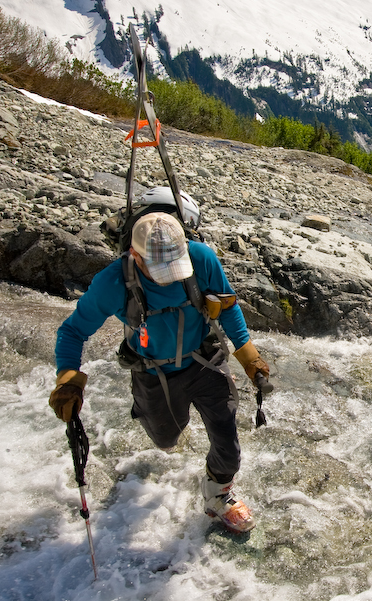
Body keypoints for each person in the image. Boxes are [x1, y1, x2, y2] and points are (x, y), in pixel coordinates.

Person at [49, 210, 270, 533]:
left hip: (205, 360)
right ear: (134, 257)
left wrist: (250, 358)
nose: (172, 277)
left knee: (228, 440)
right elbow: (72, 332)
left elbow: (228, 306)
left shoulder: (201, 259)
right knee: (166, 440)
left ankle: (218, 494)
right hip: (153, 373)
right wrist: (68, 380)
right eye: (160, 270)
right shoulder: (113, 282)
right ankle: (158, 421)